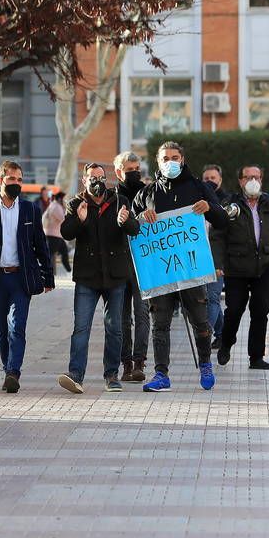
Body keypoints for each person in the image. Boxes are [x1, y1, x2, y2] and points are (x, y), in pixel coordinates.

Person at [131, 141, 228, 392]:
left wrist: (210, 208)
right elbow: (132, 226)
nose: (170, 162)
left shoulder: (199, 187)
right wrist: (141, 217)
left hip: (191, 269)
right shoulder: (147, 193)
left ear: (182, 160)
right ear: (158, 162)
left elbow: (223, 220)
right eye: (165, 158)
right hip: (161, 271)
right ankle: (161, 374)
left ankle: (206, 364)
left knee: (200, 320)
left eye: (175, 157)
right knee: (160, 323)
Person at [0, 160, 55, 394]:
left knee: (18, 326)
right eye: (12, 179)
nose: (16, 183)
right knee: (1, 328)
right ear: (0, 181)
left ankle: (13, 372)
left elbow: (40, 244)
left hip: (21, 278)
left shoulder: (30, 209)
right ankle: (7, 366)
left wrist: (48, 276)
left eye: (19, 179)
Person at [58, 163, 140, 394]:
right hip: (87, 276)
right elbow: (66, 233)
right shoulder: (76, 204)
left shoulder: (119, 201)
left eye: (101, 177)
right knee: (81, 328)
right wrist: (79, 220)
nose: (97, 181)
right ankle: (76, 375)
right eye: (92, 177)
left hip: (115, 276)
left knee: (114, 328)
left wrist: (127, 221)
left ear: (107, 179)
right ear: (84, 181)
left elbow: (135, 230)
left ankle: (111, 375)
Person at [213, 165, 269, 370]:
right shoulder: (229, 203)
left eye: (256, 177)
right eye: (247, 177)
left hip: (263, 267)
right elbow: (218, 236)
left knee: (260, 311)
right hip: (236, 267)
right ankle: (226, 344)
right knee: (234, 309)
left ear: (262, 179)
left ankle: (256, 357)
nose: (252, 181)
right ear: (240, 181)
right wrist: (218, 263)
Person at [113, 151, 150, 382]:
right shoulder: (112, 197)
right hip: (120, 264)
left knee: (143, 314)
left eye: (137, 169)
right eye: (129, 170)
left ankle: (139, 362)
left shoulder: (148, 194)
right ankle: (125, 363)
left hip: (144, 263)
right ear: (118, 172)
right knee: (122, 317)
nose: (134, 174)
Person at [201, 164, 228, 349]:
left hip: (217, 261)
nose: (210, 181)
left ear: (220, 180)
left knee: (212, 297)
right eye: (206, 179)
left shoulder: (227, 201)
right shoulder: (195, 202)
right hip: (199, 259)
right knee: (207, 299)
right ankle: (222, 334)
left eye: (213, 178)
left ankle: (205, 334)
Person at [42, 191, 71, 273]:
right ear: (60, 199)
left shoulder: (53, 205)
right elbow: (63, 219)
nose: (65, 201)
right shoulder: (56, 206)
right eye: (64, 199)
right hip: (53, 235)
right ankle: (48, 272)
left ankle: (68, 269)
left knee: (63, 251)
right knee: (51, 254)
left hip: (53, 234)